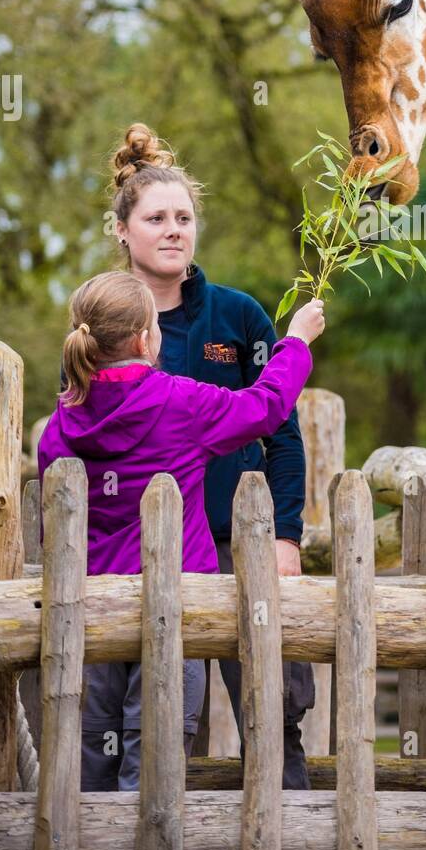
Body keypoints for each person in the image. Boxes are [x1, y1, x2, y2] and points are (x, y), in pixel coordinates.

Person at [38, 270, 324, 791]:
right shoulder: (180, 403)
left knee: (92, 762)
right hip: (172, 611)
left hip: (92, 613)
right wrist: (297, 342)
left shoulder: (61, 424)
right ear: (147, 340)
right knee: (155, 759)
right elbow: (265, 407)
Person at [104, 123, 319, 785]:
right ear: (122, 231)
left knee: (272, 700)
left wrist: (284, 535)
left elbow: (278, 431)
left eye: (184, 217)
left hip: (237, 542)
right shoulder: (106, 320)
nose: (173, 230)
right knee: (156, 712)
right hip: (137, 549)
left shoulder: (238, 316)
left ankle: (293, 837)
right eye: (156, 218)